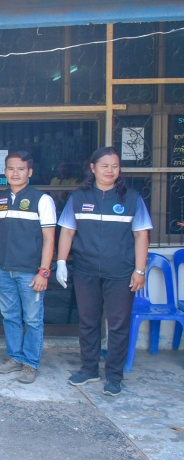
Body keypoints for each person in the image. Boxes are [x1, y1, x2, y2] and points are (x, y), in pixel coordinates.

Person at [57, 147, 151, 396]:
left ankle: (114, 376)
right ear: (93, 168)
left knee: (118, 325)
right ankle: (89, 369)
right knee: (88, 321)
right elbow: (67, 231)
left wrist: (140, 270)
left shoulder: (132, 198)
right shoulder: (79, 197)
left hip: (121, 273)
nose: (110, 170)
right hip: (86, 270)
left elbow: (141, 235)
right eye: (104, 165)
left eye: (115, 166)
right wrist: (61, 262)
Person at [0, 150, 56, 384]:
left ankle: (30, 363)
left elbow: (49, 238)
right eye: (11, 168)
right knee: (10, 316)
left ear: (30, 172)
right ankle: (14, 358)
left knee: (32, 319)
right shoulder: (0, 199)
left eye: (20, 168)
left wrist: (44, 271)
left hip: (30, 271)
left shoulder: (42, 199)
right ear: (5, 171)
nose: (15, 173)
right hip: (3, 269)